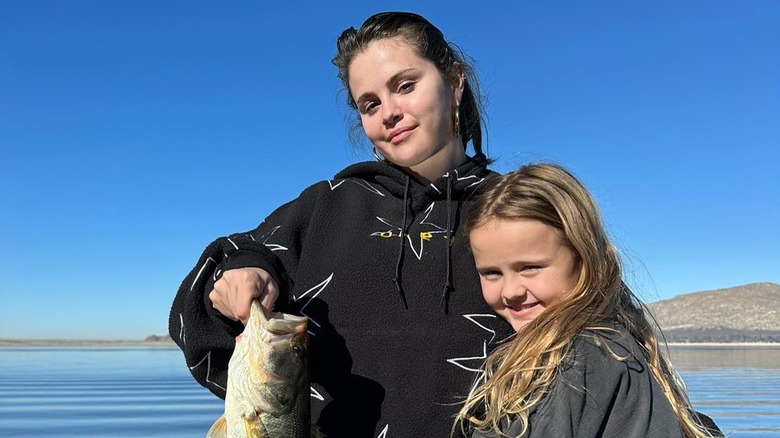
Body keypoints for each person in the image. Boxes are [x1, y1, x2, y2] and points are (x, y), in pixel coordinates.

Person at [169, 11, 513, 437]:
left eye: (405, 86)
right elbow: (228, 275)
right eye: (369, 104)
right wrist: (242, 274)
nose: (389, 112)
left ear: (455, 82)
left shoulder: (519, 210)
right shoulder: (325, 208)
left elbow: (596, 332)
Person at [454, 163, 722, 438]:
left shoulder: (580, 358)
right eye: (491, 273)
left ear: (584, 261)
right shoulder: (611, 344)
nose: (510, 291)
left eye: (530, 267)